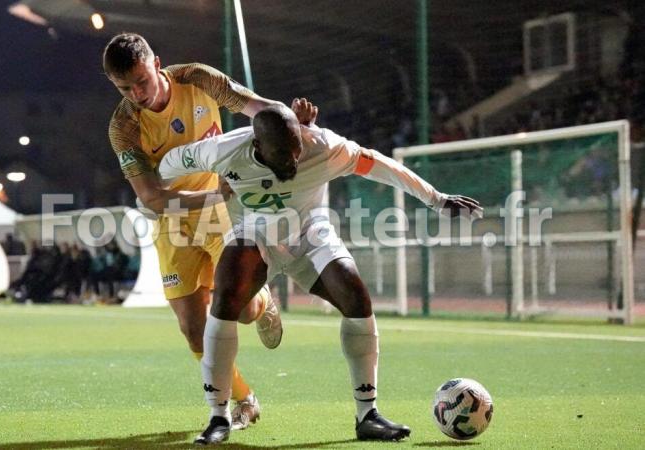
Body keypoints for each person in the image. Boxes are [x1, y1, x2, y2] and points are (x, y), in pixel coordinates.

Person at [158, 104, 482, 444]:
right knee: (225, 300)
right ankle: (218, 418)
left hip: (311, 233)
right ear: (257, 146)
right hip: (255, 233)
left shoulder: (324, 145)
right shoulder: (223, 151)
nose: (293, 163)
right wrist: (200, 190)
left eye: (296, 152)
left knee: (354, 294)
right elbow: (167, 164)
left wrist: (436, 199)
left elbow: (377, 164)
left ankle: (367, 414)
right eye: (282, 156)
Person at [103, 33, 317, 429]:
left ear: (157, 64)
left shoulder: (197, 78)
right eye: (124, 88)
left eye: (142, 81)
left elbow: (257, 107)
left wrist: (291, 124)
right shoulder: (124, 127)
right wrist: (215, 198)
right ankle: (245, 400)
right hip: (174, 224)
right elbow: (152, 198)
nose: (137, 93)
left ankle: (264, 300)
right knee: (193, 330)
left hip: (223, 217)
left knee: (244, 310)